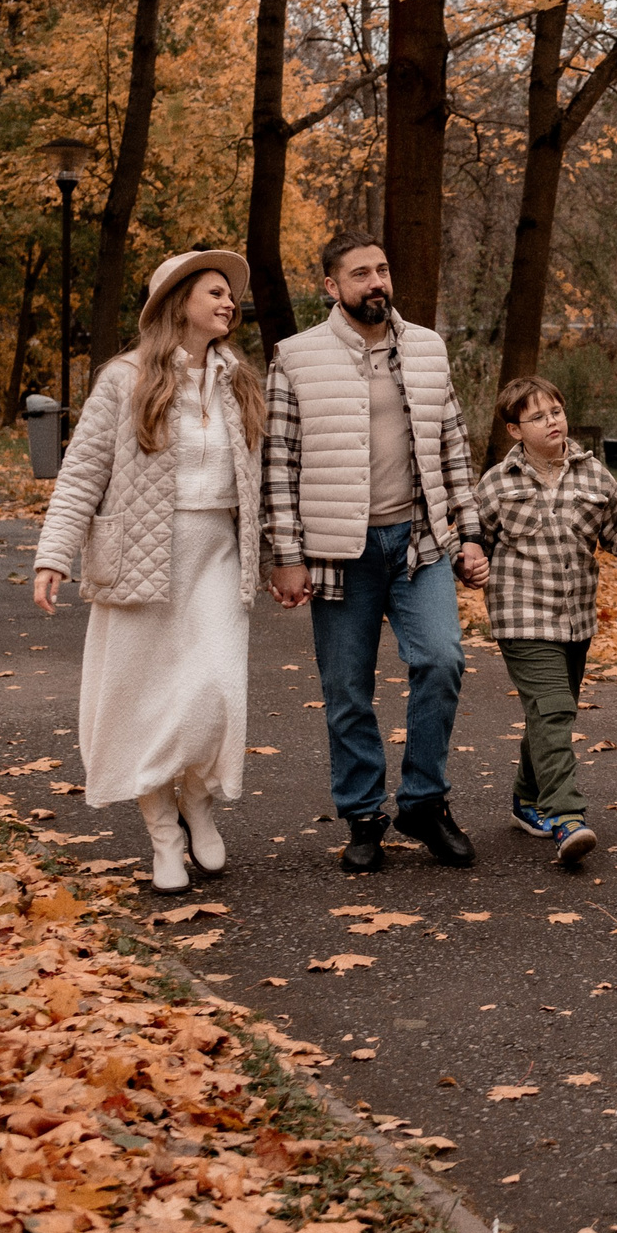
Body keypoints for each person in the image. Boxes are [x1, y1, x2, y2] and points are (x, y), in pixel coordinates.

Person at [33, 250, 265, 893]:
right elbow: (82, 473)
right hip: (139, 557)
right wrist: (53, 554)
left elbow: (263, 479)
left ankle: (198, 801)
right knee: (143, 701)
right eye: (214, 292)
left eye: (230, 294)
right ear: (176, 301)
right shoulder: (124, 379)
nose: (228, 303)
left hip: (217, 555)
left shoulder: (239, 379)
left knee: (215, 691)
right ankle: (164, 833)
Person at [261, 234, 489, 873]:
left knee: (441, 660)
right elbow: (278, 463)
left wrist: (470, 532)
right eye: (360, 273)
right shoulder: (296, 357)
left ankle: (424, 802)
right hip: (339, 552)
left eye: (382, 269)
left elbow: (453, 446)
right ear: (332, 287)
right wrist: (286, 554)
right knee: (347, 689)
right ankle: (363, 816)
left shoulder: (427, 347)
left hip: (419, 541)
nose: (376, 282)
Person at [475, 375, 617, 868]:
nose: (552, 421)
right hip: (521, 615)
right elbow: (472, 539)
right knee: (553, 710)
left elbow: (616, 531)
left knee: (550, 710)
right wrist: (468, 561)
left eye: (556, 411)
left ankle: (526, 798)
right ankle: (567, 817)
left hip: (576, 617)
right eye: (538, 416)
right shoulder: (497, 483)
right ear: (515, 429)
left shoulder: (594, 475)